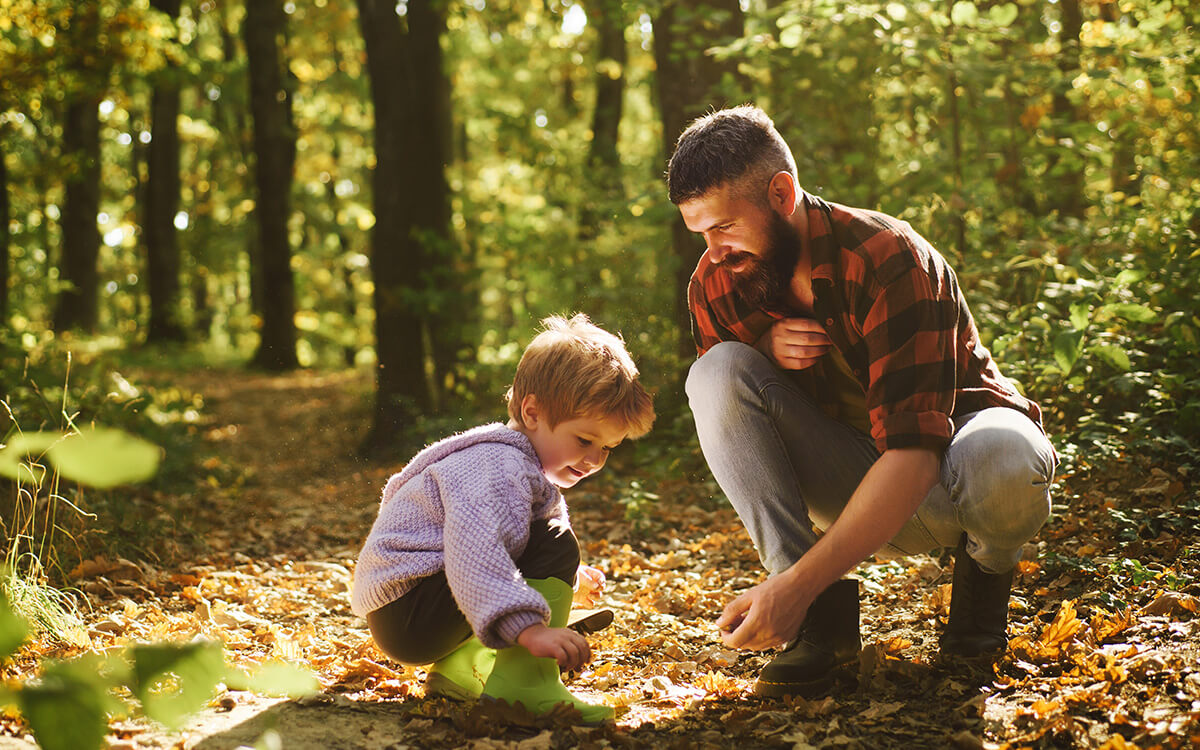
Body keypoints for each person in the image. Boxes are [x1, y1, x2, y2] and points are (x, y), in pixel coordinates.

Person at [667, 105, 1058, 698]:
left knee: (1003, 453)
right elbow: (739, 422)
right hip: (849, 474)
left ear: (781, 193)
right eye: (700, 233)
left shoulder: (886, 256)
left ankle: (980, 603)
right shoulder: (717, 281)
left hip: (948, 471)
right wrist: (761, 350)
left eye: (723, 227)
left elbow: (915, 455)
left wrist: (789, 587)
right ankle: (823, 626)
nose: (714, 250)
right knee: (714, 371)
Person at [351, 314, 655, 722]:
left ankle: (459, 671)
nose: (594, 459)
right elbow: (475, 553)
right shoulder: (497, 467)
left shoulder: (506, 459)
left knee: (547, 544)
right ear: (532, 411)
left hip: (408, 607)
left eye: (608, 448)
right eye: (584, 440)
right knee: (553, 538)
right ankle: (524, 686)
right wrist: (531, 630)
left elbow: (500, 545)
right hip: (412, 612)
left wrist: (565, 579)